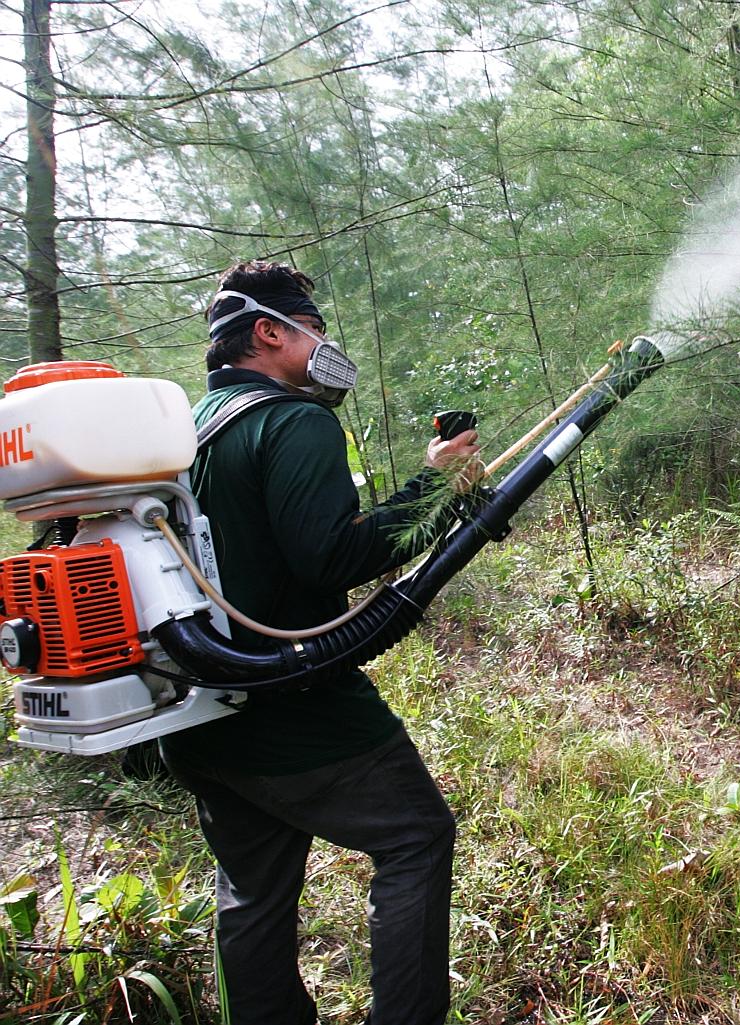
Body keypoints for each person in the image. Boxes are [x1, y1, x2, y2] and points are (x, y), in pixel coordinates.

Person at [159, 259, 481, 1025]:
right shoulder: (293, 421)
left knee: (253, 891)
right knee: (416, 837)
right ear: (269, 331)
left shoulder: (185, 435)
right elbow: (332, 554)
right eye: (315, 328)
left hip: (198, 711)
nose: (326, 344)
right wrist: (437, 484)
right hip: (295, 707)